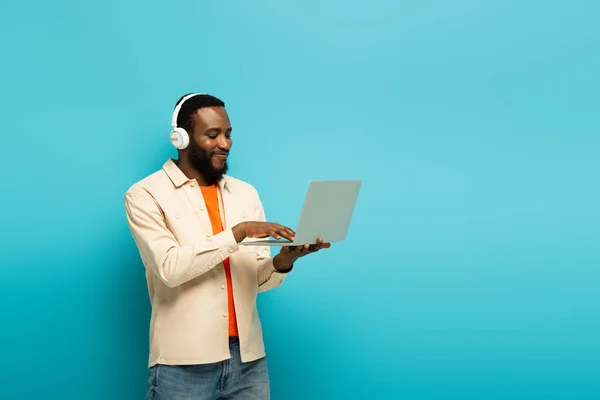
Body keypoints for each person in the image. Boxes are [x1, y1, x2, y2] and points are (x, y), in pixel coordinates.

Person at [124, 93, 329, 400]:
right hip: (183, 365)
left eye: (228, 134)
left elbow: (255, 280)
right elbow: (170, 268)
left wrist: (283, 261)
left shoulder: (245, 194)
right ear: (181, 139)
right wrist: (239, 232)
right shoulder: (145, 195)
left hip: (248, 361)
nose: (225, 143)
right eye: (212, 135)